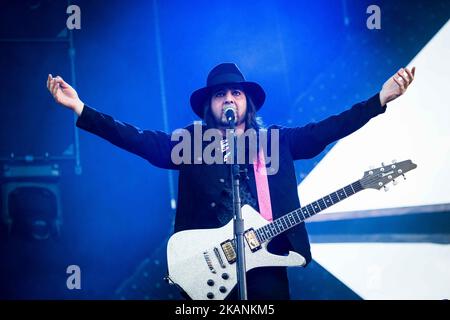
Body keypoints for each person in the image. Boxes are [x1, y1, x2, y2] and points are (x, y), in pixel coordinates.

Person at [46, 62, 415, 300]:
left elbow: (331, 127)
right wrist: (82, 109)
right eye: (220, 94)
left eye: (236, 93)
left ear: (247, 103)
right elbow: (137, 139)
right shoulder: (189, 144)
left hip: (266, 265)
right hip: (209, 268)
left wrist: (379, 99)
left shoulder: (277, 141)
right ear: (209, 105)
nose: (229, 98)